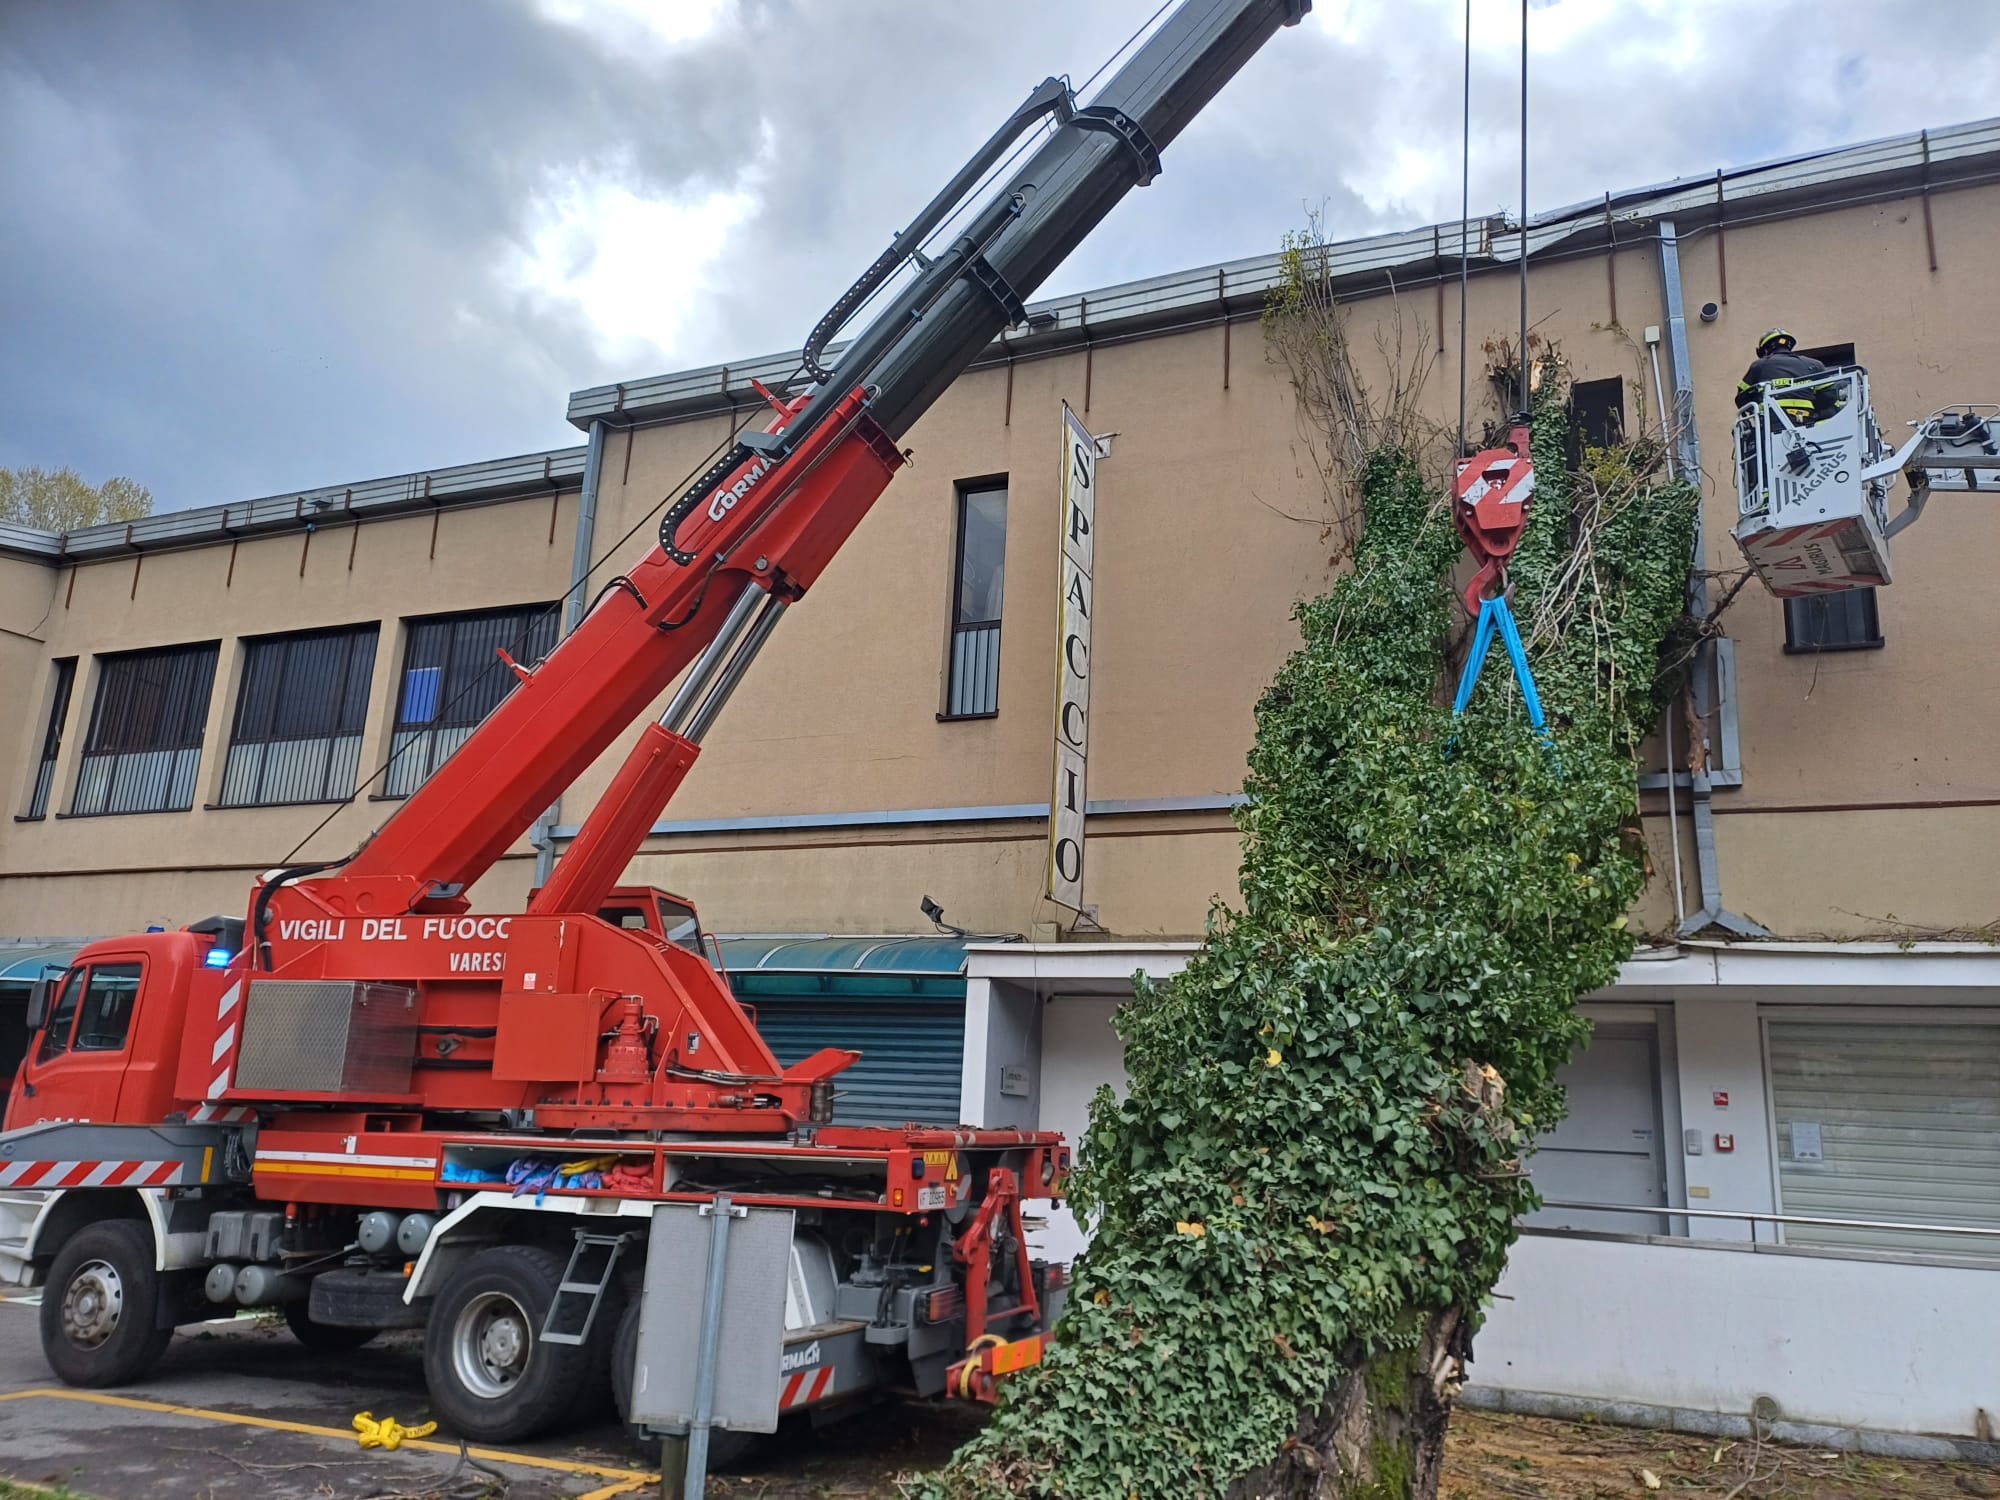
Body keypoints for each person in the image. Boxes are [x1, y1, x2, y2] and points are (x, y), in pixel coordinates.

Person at [1736, 328, 1830, 423]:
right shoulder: (1814, 364)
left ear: (1764, 350)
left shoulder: (1759, 365)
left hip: (1772, 423)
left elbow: (1741, 398)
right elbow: (1830, 395)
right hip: (1808, 421)